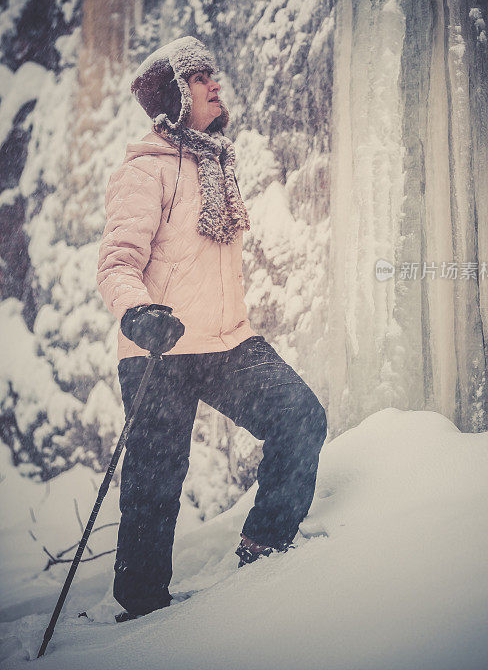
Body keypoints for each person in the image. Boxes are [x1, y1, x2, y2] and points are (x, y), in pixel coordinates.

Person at [96, 35, 327, 622]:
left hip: (225, 341)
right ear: (174, 99)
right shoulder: (144, 171)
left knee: (301, 417)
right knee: (155, 483)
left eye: (210, 74)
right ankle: (141, 612)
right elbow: (118, 262)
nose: (213, 83)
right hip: (159, 348)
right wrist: (137, 312)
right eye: (199, 79)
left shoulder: (214, 160)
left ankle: (265, 549)